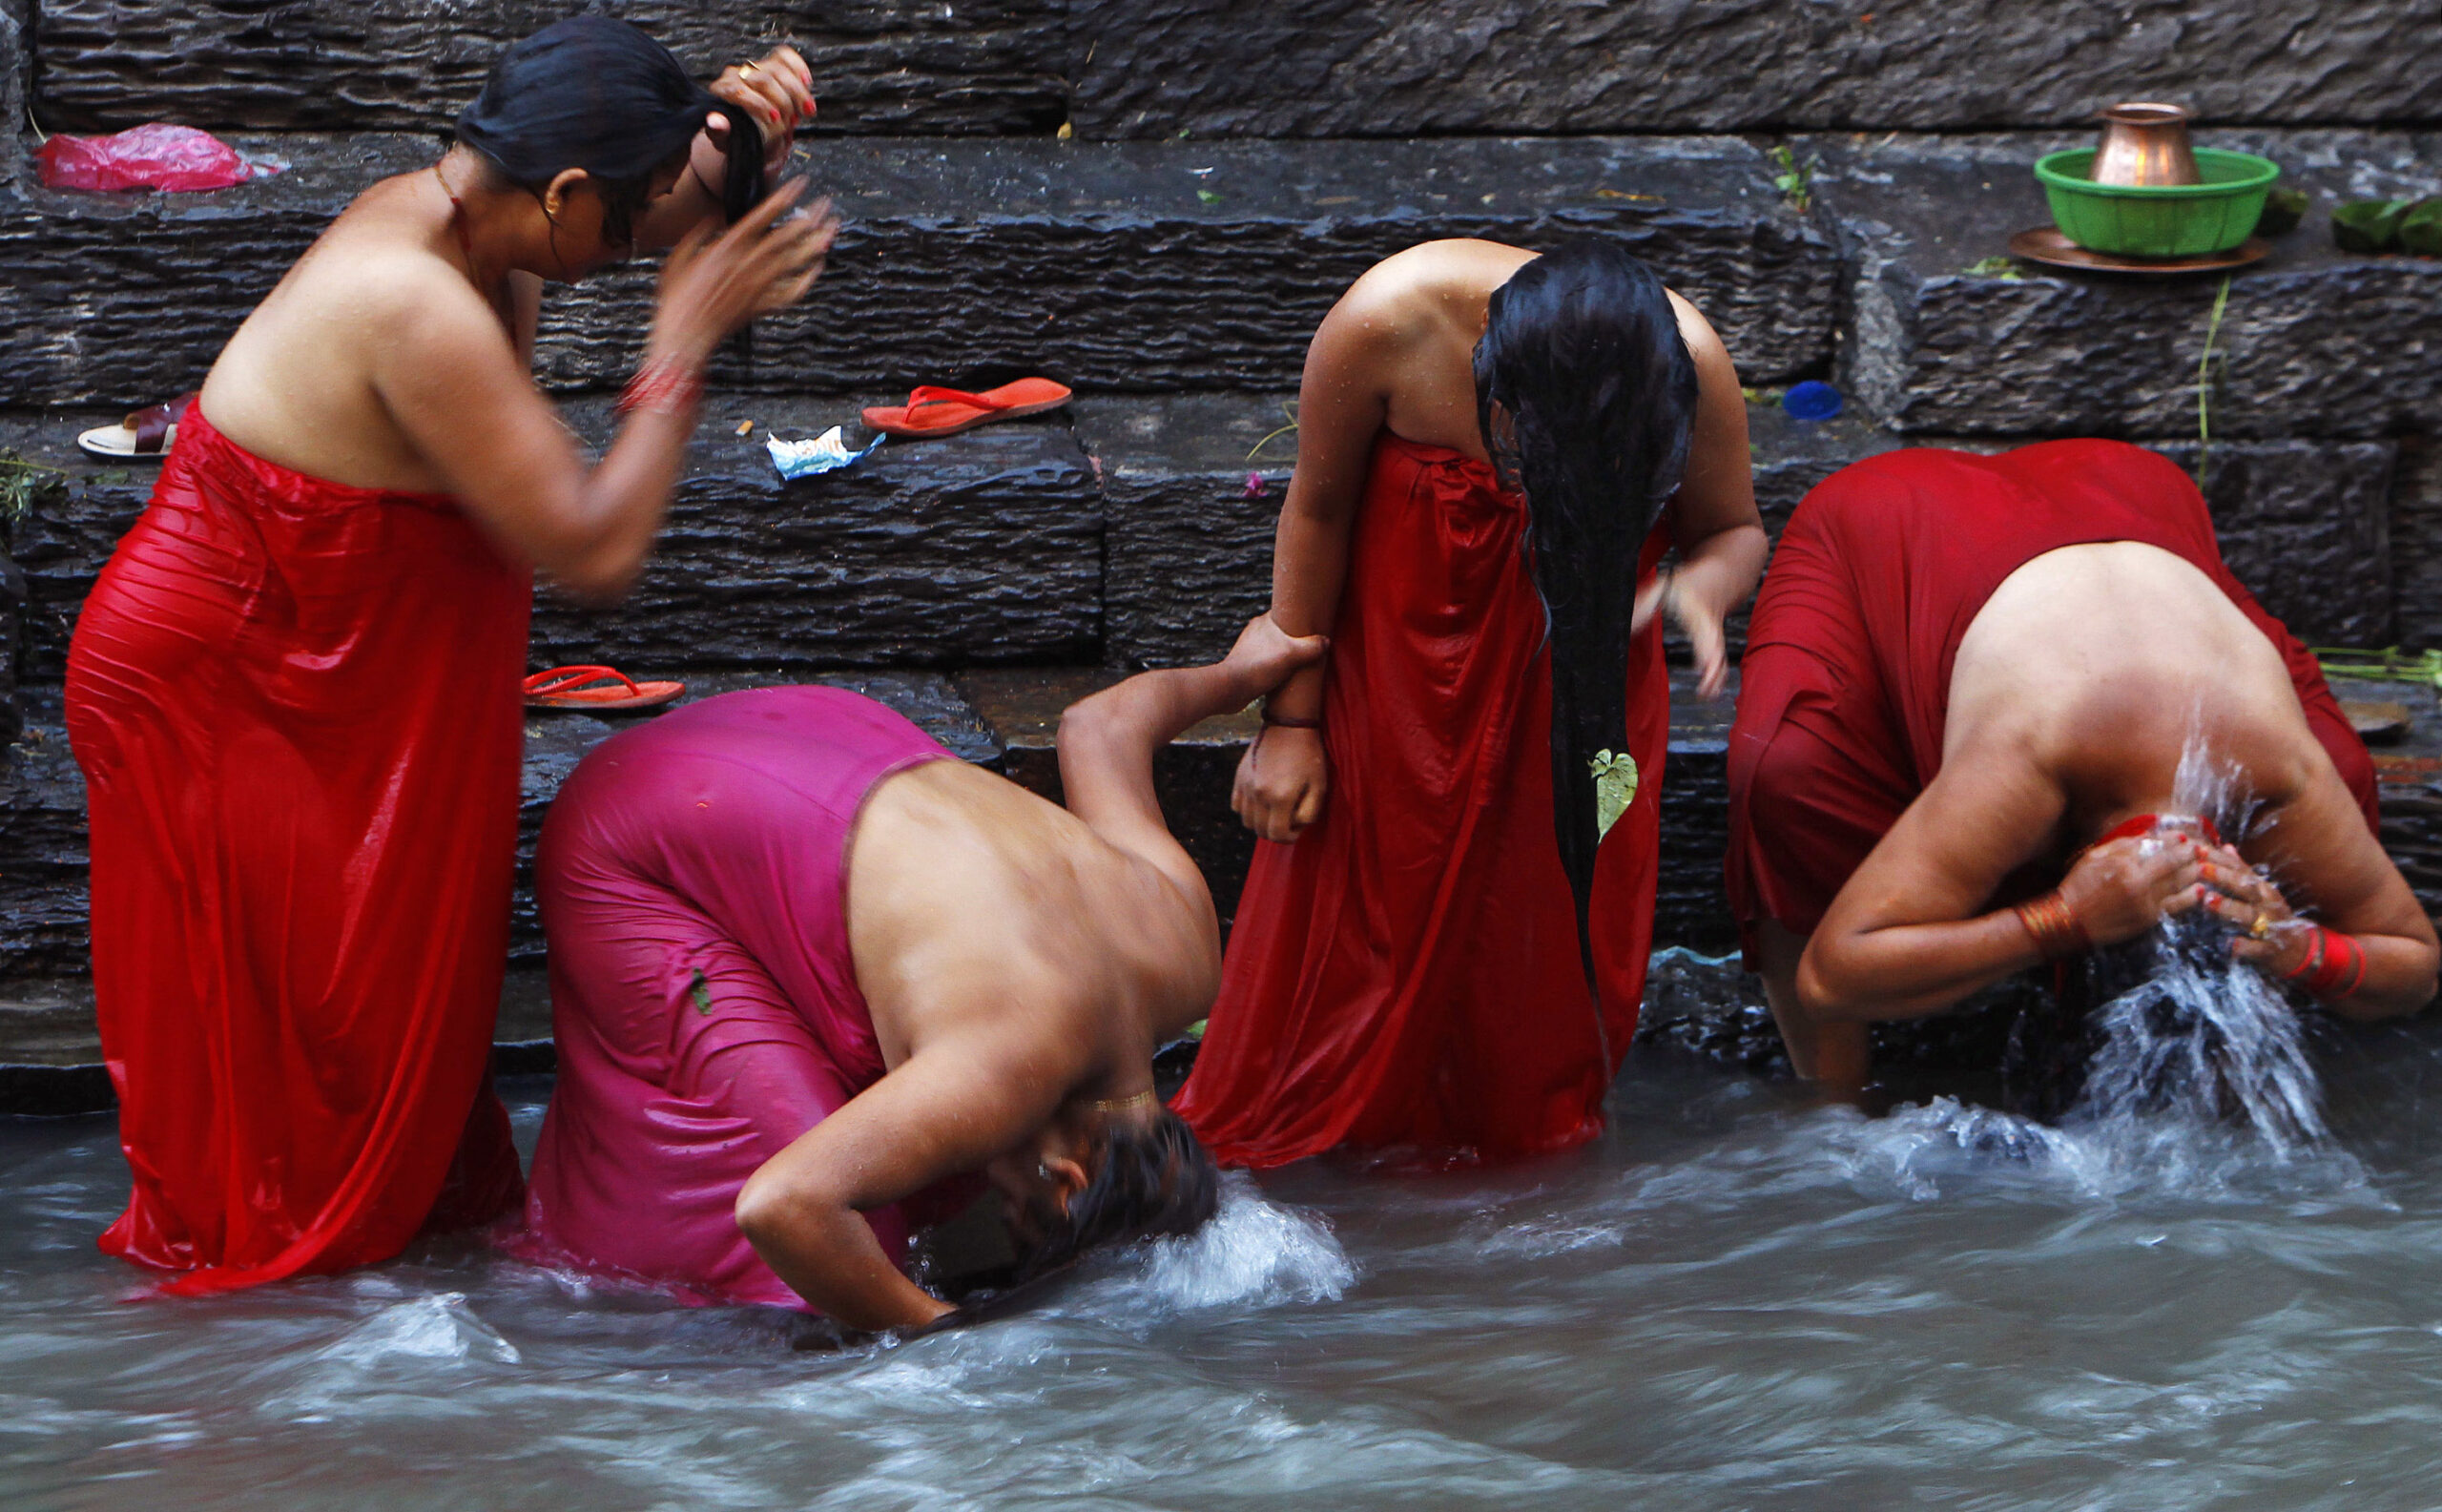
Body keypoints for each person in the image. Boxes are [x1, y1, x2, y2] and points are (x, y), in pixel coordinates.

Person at [64, 16, 835, 1293]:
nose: (649, 245)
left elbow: (645, 207)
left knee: (361, 1022)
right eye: (633, 218)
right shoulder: (413, 298)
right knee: (291, 1065)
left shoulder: (485, 209)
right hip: (218, 679)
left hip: (317, 654)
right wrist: (681, 346)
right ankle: (245, 1377)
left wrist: (733, 129)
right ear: (570, 195)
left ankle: (346, 1325)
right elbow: (593, 552)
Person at [520, 617, 1328, 1331]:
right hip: (639, 837)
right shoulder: (1006, 1060)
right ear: (1070, 1177)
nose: (1008, 1205)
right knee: (820, 1277)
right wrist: (951, 1345)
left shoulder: (1185, 953)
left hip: (818, 731)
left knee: (913, 1188)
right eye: (1025, 1211)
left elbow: (1101, 726)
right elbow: (782, 1206)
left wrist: (1237, 677)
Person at [1173, 238, 1768, 1168]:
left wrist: (1703, 590)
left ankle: (1513, 1195)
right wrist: (1289, 722)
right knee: (1342, 947)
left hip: (1582, 701)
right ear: (1494, 401)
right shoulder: (1389, 319)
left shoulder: (1686, 364)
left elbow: (1731, 528)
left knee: (1543, 967)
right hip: (1397, 683)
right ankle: (1297, 1165)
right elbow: (1318, 509)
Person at [1726, 440, 2440, 1100]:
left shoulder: (2283, 775)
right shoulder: (2029, 763)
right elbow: (1831, 976)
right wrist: (2060, 919)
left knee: (2345, 767)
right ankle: (1832, 1106)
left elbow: (2416, 962)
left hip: (2137, 499)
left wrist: (2295, 946)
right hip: (1897, 515)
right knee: (1789, 774)